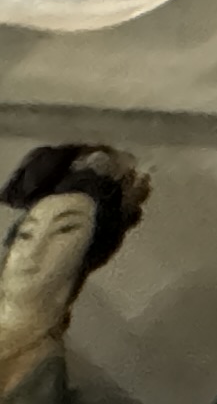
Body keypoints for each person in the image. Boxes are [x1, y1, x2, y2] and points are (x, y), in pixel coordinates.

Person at [0, 144, 145, 404]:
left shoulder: (65, 384)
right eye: (26, 234)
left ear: (90, 252)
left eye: (64, 230)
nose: (35, 249)